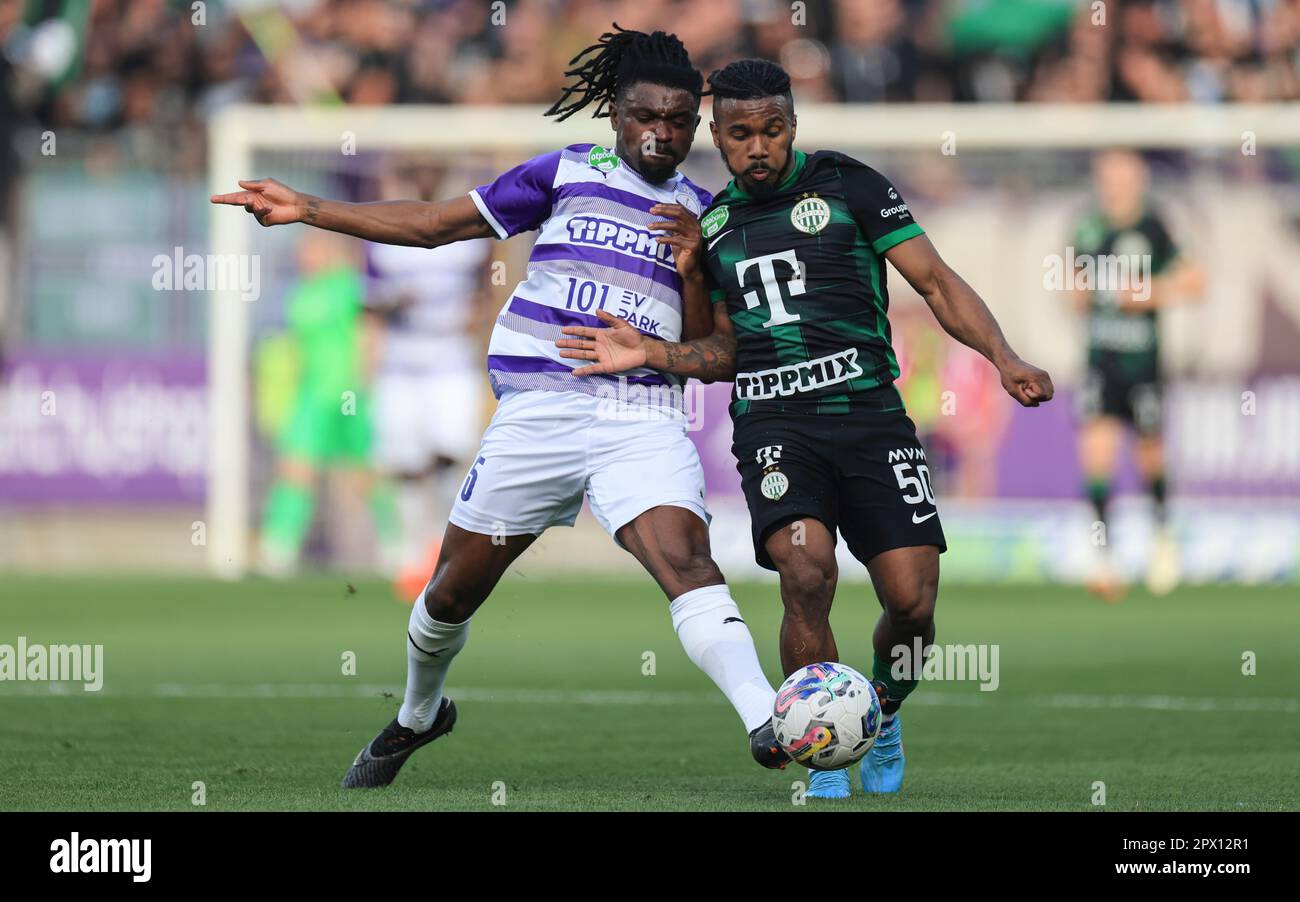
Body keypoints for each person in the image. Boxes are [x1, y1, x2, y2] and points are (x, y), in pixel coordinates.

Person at [213, 27, 787, 790]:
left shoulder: (706, 217)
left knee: (686, 559)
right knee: (449, 592)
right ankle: (419, 714)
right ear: (616, 115)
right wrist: (309, 208)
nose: (661, 132)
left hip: (639, 416)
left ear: (696, 126)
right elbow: (433, 226)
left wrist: (688, 267)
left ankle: (768, 723)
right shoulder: (564, 175)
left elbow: (720, 350)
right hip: (539, 411)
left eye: (679, 121)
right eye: (646, 115)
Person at [556, 59, 1055, 799]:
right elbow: (720, 354)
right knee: (804, 573)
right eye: (739, 134)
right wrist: (681, 298)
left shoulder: (852, 186)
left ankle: (878, 713)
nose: (758, 147)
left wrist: (1003, 357)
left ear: (793, 126)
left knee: (914, 603)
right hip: (776, 428)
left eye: (772, 130)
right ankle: (822, 748)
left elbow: (937, 282)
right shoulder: (716, 223)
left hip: (871, 419)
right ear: (716, 137)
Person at [1071, 149, 1203, 600]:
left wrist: (1146, 293)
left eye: (1122, 176)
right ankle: (1103, 555)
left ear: (1139, 179)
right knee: (1096, 452)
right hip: (1101, 361)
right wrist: (1084, 293)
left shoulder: (1155, 226)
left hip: (1143, 363)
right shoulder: (1088, 226)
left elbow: (1194, 282)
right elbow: (1071, 289)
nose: (1114, 185)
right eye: (1107, 175)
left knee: (1149, 454)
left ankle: (1163, 537)